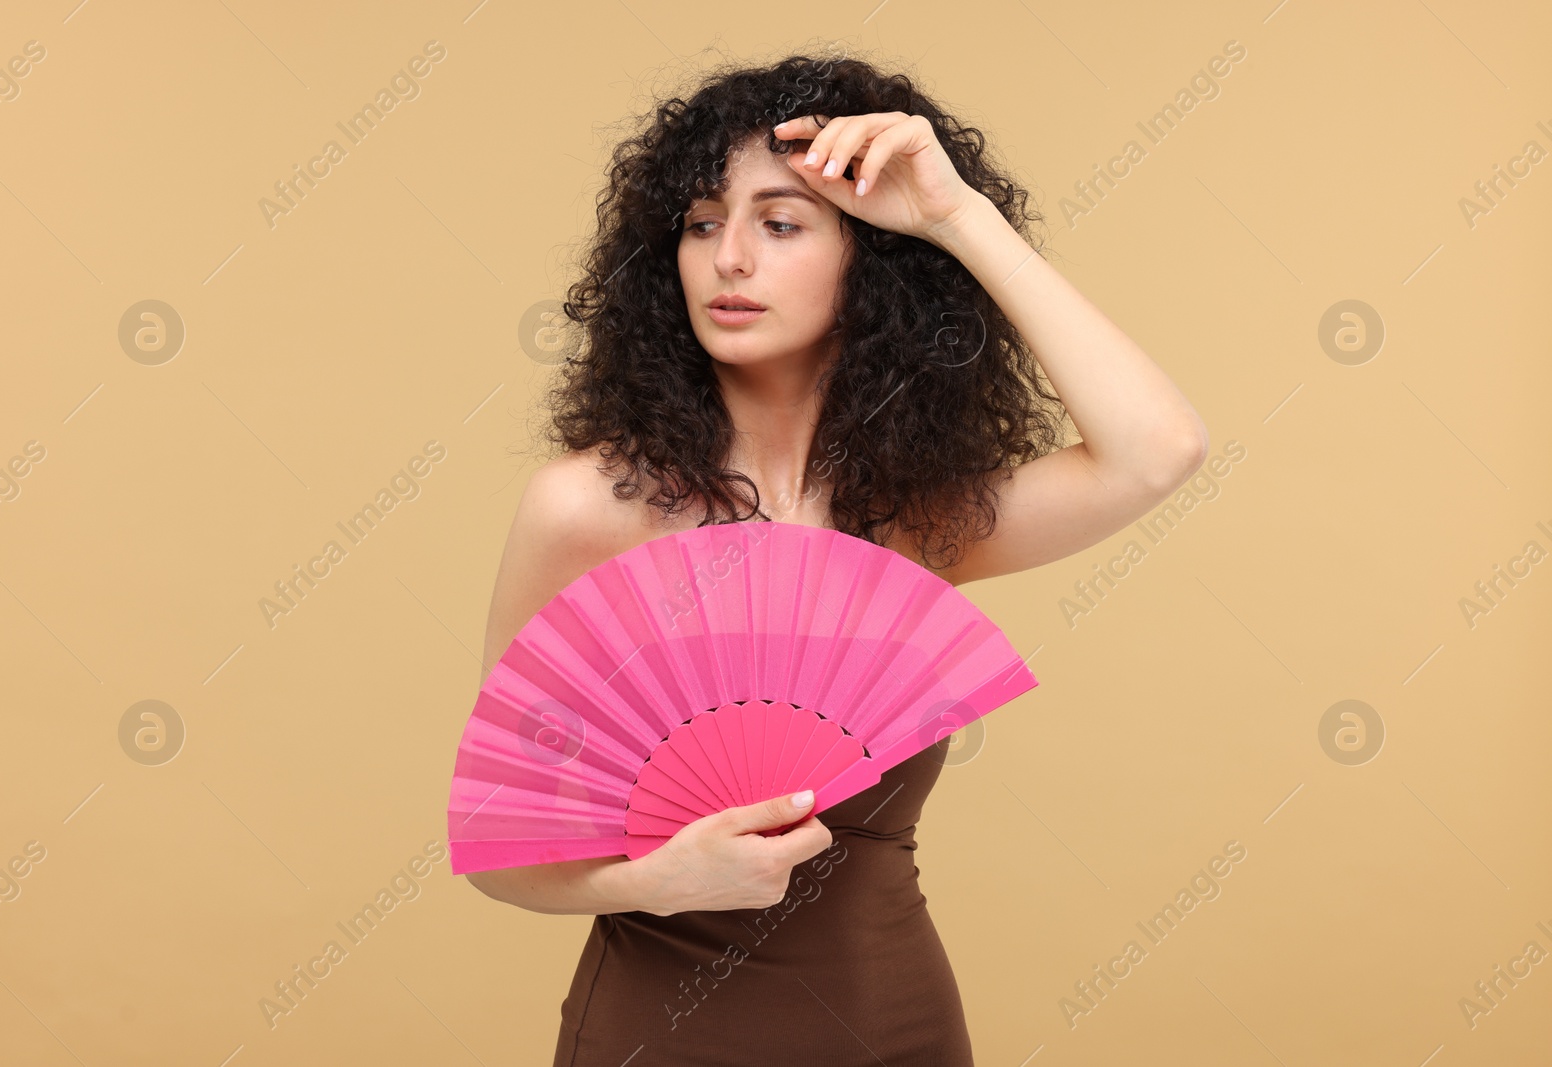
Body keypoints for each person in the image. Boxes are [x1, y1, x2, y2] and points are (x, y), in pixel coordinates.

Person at [467, 49, 1208, 1066]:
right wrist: (650, 881)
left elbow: (1158, 447)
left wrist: (955, 217)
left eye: (779, 222)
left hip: (890, 1022)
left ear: (869, 260)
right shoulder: (583, 509)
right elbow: (499, 844)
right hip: (659, 1030)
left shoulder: (911, 516)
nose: (728, 258)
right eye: (699, 221)